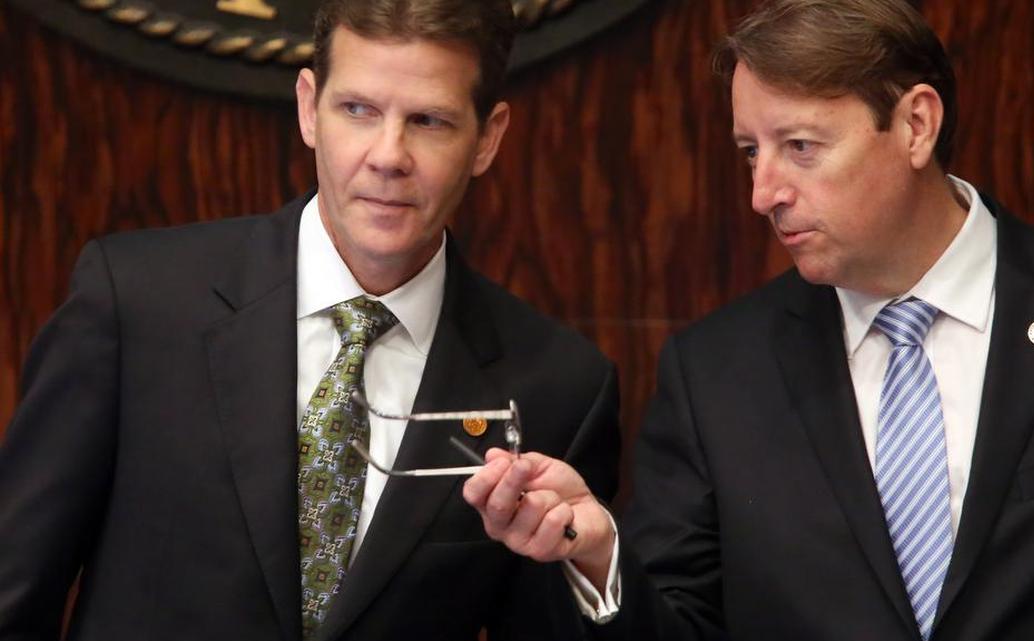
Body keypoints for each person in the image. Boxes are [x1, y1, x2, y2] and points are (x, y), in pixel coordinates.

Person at [463, 0, 1034, 639]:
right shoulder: (717, 374)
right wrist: (602, 553)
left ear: (916, 125)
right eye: (751, 151)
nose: (763, 194)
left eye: (802, 147)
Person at [0, 1, 619, 639]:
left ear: (487, 138)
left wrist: (594, 564)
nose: (388, 155)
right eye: (358, 110)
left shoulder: (557, 385)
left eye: (429, 121)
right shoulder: (135, 303)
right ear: (308, 107)